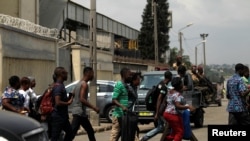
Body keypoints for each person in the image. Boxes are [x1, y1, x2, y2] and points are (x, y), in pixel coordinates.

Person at [140, 70, 172, 141]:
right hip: (160, 110)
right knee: (168, 125)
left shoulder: (160, 83)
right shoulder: (163, 87)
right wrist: (157, 113)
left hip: (158, 109)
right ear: (170, 78)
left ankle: (144, 138)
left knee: (160, 127)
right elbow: (159, 99)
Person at [71, 67, 100, 141]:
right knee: (71, 133)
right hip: (79, 112)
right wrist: (94, 107)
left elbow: (73, 93)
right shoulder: (84, 85)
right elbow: (82, 99)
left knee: (90, 131)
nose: (93, 75)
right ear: (88, 73)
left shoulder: (79, 83)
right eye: (92, 73)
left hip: (79, 112)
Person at [163, 77, 195, 141]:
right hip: (173, 115)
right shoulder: (177, 95)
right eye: (181, 83)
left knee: (174, 132)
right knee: (180, 132)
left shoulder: (170, 91)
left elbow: (168, 100)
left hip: (167, 113)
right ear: (179, 85)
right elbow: (178, 105)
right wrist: (188, 107)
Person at [49, 66, 74, 141]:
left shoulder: (61, 85)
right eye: (66, 73)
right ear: (61, 74)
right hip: (58, 117)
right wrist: (68, 103)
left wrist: (70, 97)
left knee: (70, 133)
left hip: (62, 117)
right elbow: (58, 102)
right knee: (55, 137)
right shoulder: (58, 87)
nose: (67, 75)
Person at [110, 67, 131, 141]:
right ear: (124, 75)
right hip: (118, 115)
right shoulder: (119, 84)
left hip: (125, 115)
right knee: (114, 135)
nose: (130, 76)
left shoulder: (126, 85)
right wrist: (122, 106)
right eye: (129, 75)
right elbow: (114, 99)